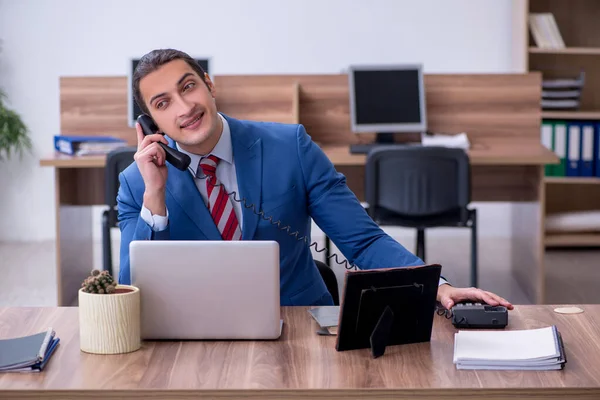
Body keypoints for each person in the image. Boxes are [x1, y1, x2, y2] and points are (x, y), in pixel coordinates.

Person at [117, 48, 513, 310]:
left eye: (188, 87)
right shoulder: (138, 182)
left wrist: (437, 287)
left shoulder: (291, 145)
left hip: (300, 320)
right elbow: (132, 289)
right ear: (151, 121)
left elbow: (362, 238)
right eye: (163, 103)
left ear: (209, 84)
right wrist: (156, 194)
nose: (185, 107)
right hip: (194, 332)